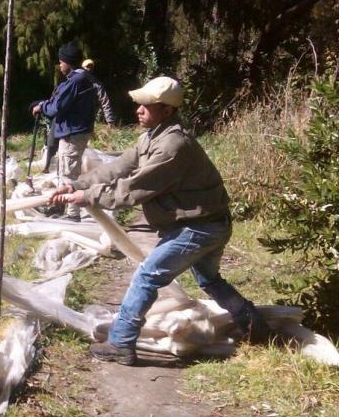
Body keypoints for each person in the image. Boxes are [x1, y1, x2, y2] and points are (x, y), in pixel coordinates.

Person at [50, 76, 271, 366]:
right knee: (209, 279)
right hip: (205, 224)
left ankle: (121, 342)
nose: (139, 110)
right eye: (139, 104)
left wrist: (88, 197)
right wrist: (77, 185)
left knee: (147, 276)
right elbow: (118, 167)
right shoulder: (152, 137)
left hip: (200, 228)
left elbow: (132, 189)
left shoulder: (173, 147)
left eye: (147, 105)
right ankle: (256, 326)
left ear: (167, 110)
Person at [30, 41, 97, 222]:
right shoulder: (84, 78)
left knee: (69, 174)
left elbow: (57, 107)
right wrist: (45, 104)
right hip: (76, 132)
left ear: (68, 62)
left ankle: (72, 214)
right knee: (64, 171)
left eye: (61, 61)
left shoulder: (75, 81)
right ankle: (60, 207)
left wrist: (41, 106)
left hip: (72, 133)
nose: (60, 65)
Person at [82, 59, 117, 126]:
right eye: (87, 66)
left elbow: (105, 101)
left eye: (91, 67)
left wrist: (110, 121)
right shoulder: (74, 80)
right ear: (82, 67)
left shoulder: (97, 84)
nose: (89, 68)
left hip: (89, 117)